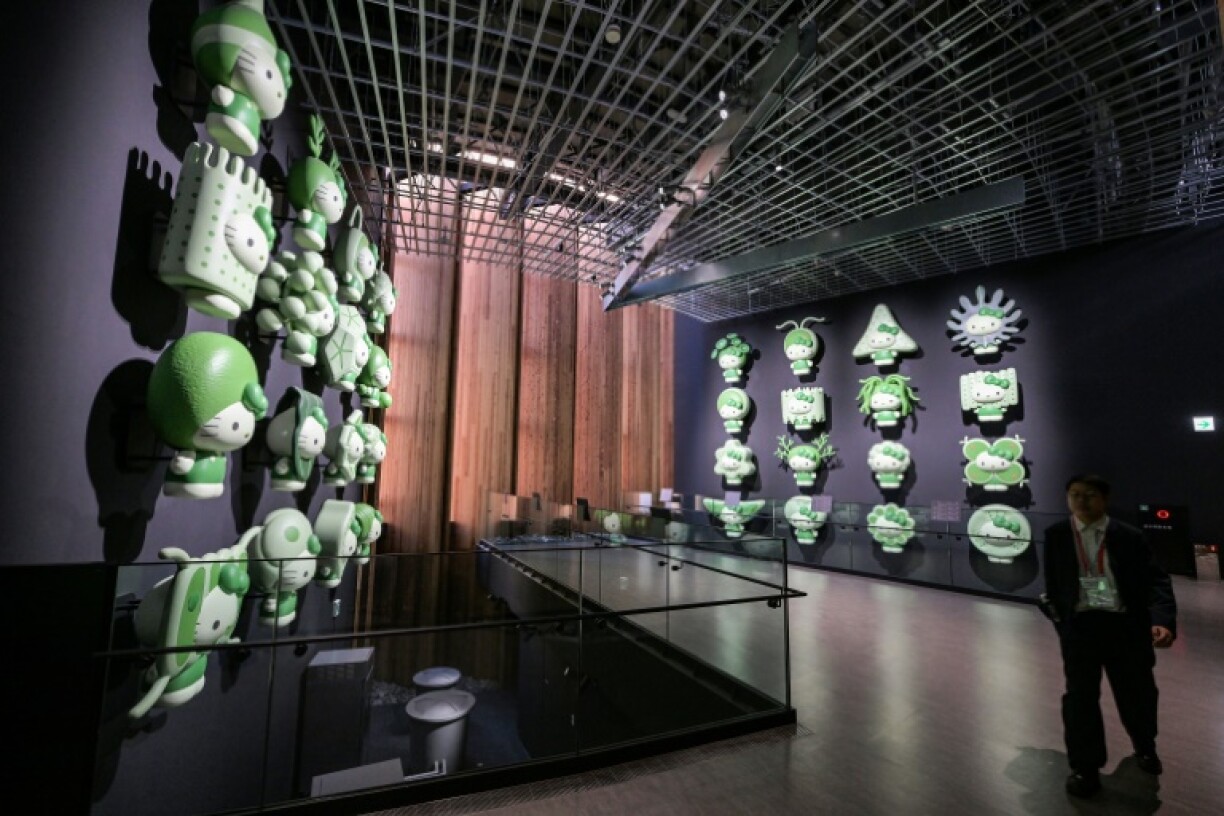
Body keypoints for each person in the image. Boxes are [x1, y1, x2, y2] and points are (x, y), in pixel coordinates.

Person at [1042, 474, 1177, 798]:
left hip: (1125, 627)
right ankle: (1085, 768)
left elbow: (1156, 581)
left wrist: (1163, 620)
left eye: (1088, 495)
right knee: (1079, 699)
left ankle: (1145, 747)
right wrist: (1063, 622)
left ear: (1104, 499)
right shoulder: (1057, 535)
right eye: (1074, 494)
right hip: (1081, 630)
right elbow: (1055, 583)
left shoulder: (1128, 537)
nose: (1080, 501)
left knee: (1138, 692)